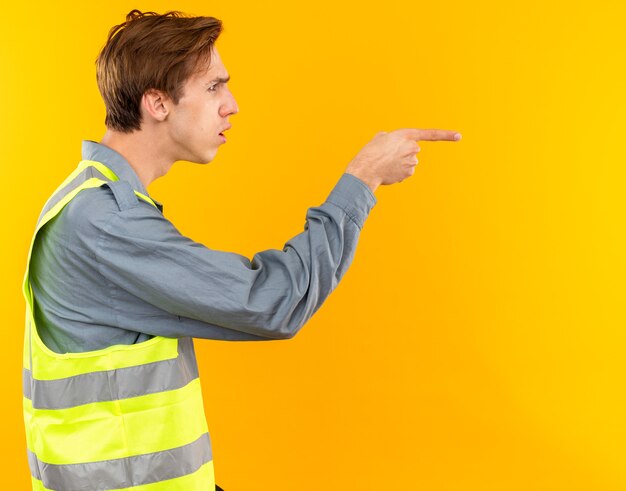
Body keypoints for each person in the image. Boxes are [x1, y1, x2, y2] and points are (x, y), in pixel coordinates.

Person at [21, 9, 462, 491]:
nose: (231, 104)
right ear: (158, 103)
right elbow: (272, 303)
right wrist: (363, 179)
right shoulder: (106, 224)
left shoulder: (93, 201)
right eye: (213, 87)